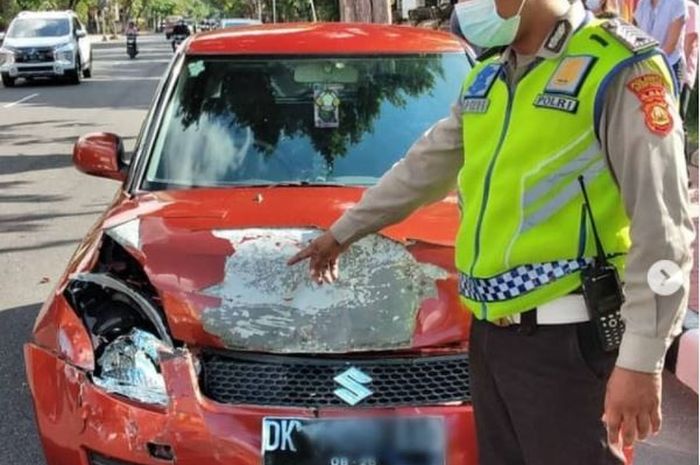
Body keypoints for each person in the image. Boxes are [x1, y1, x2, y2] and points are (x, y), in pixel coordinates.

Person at [289, 0, 694, 463]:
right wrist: (342, 232)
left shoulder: (617, 68)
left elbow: (663, 228)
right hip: (491, 338)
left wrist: (641, 362)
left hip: (569, 346)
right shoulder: (487, 78)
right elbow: (422, 168)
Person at [635, 0, 689, 86]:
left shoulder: (678, 2)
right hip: (645, 66)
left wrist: (649, 67)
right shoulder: (642, 3)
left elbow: (671, 45)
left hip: (670, 66)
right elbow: (637, 35)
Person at [682, 0, 698, 119]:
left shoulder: (691, 8)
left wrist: (681, 69)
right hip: (663, 71)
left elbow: (691, 40)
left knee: (678, 118)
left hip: (683, 75)